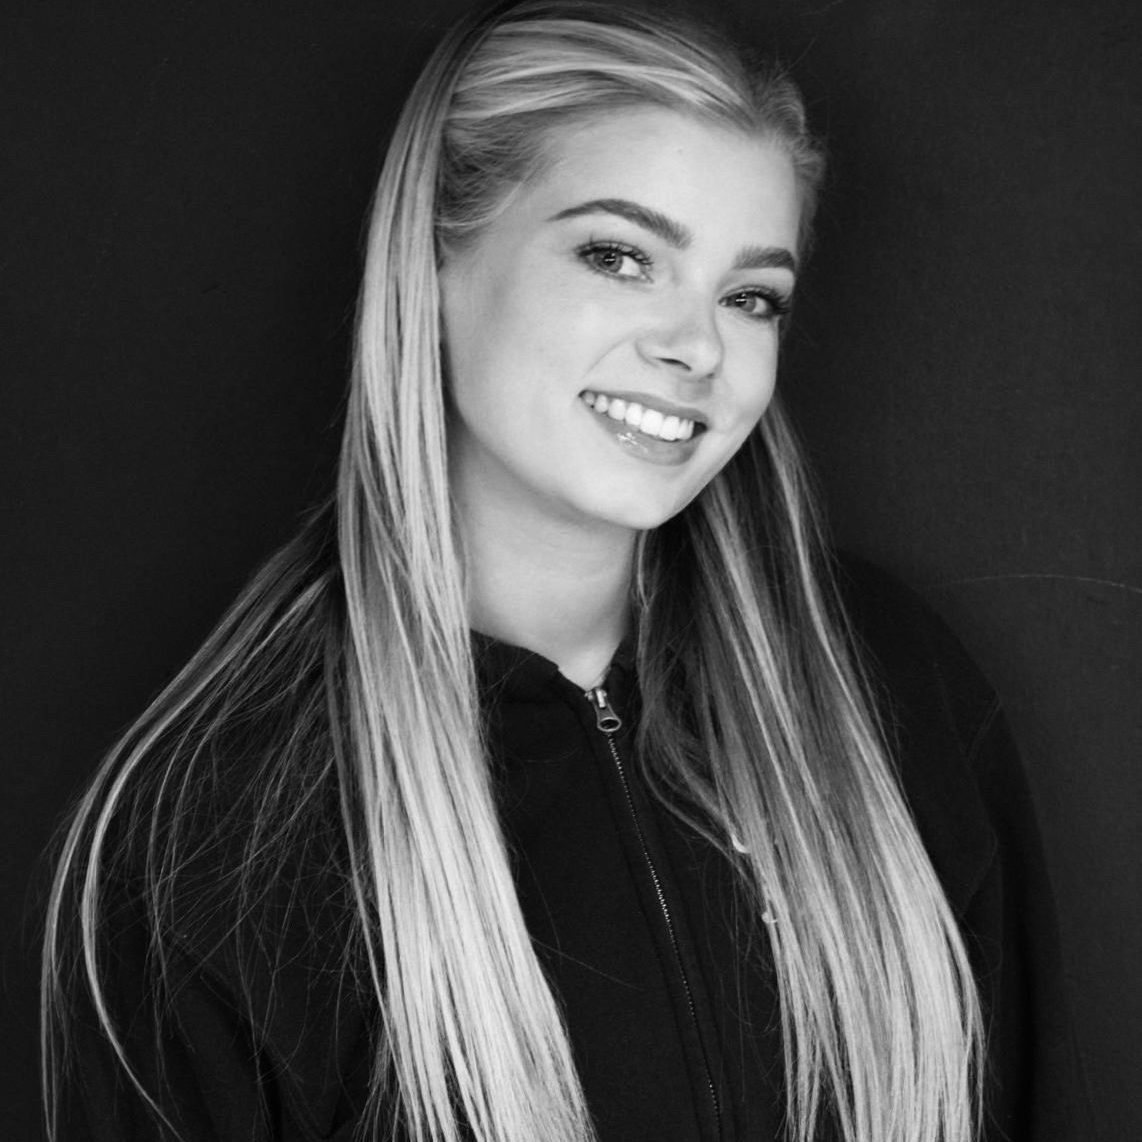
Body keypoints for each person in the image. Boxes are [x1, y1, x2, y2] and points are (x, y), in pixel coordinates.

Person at [41, 2, 1070, 1140]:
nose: (697, 346)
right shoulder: (217, 831)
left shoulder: (890, 687)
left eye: (749, 296)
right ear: (435, 262)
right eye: (619, 256)